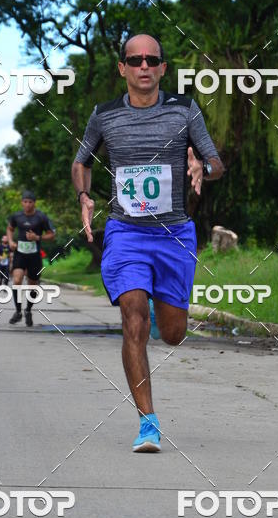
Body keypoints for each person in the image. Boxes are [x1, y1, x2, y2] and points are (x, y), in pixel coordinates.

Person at [71, 33, 224, 452]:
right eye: (135, 60)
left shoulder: (184, 110)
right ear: (122, 67)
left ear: (162, 69)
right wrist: (84, 196)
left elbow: (216, 162)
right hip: (127, 232)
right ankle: (147, 422)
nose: (143, 66)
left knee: (172, 334)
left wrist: (203, 167)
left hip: (173, 234)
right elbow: (82, 161)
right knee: (133, 316)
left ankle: (161, 306)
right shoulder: (104, 115)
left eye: (151, 60)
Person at [7, 191, 56, 326]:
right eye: (25, 202)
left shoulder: (41, 217)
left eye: (30, 202)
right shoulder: (17, 216)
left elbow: (52, 235)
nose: (27, 204)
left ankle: (28, 310)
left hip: (34, 255)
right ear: (22, 202)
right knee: (17, 280)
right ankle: (18, 311)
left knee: (32, 285)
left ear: (34, 203)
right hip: (20, 253)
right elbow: (10, 228)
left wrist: (37, 237)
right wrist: (10, 241)